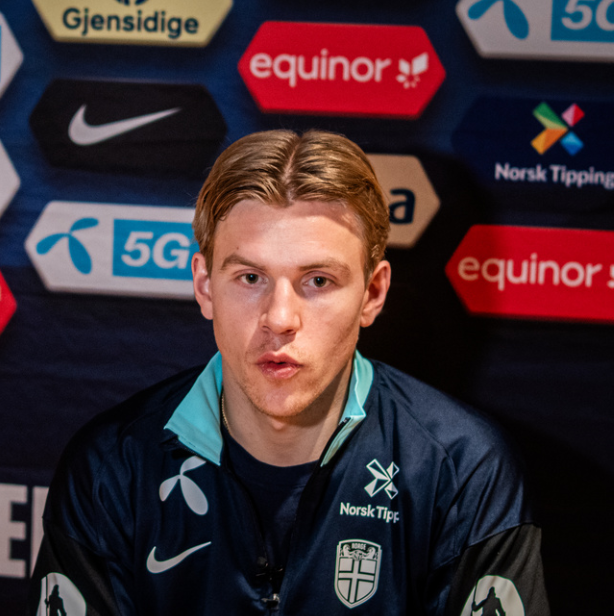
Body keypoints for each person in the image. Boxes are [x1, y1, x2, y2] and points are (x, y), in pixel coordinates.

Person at [27, 129, 549, 615]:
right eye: (251, 276)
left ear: (373, 293)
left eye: (318, 280)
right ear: (205, 286)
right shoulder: (111, 467)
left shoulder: (463, 469)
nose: (279, 318)